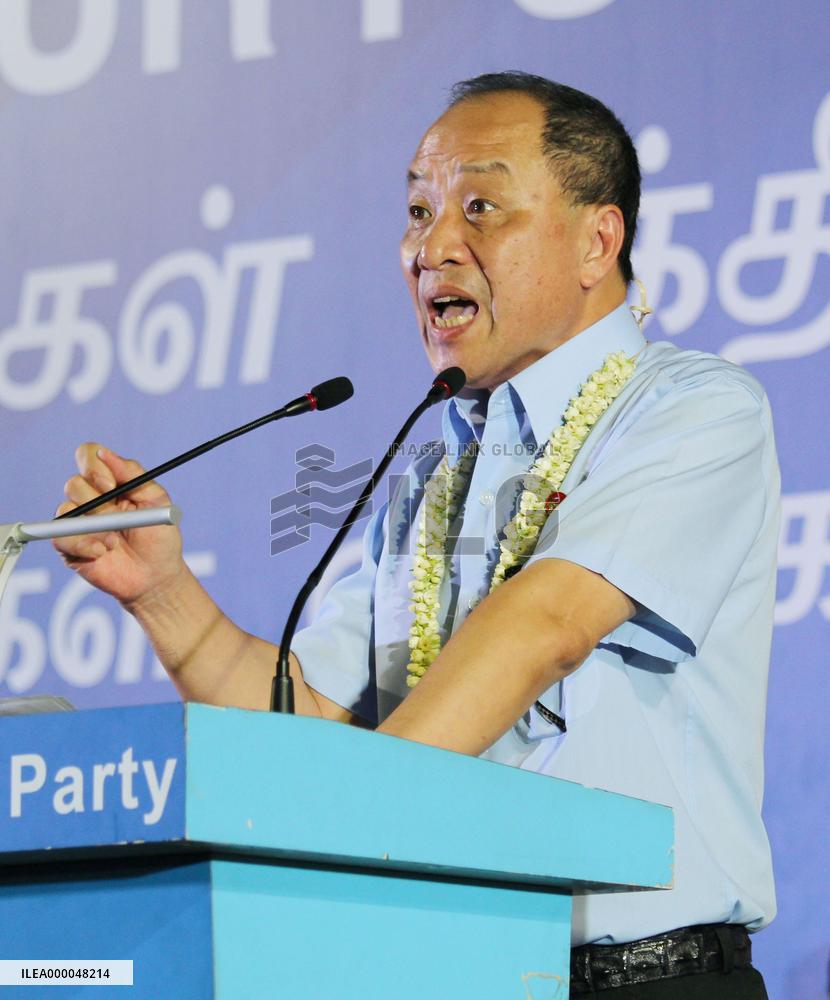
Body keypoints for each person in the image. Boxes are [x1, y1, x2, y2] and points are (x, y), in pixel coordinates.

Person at [55, 72, 776, 997]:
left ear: (598, 241)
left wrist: (352, 827)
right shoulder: (432, 484)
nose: (431, 247)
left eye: (480, 207)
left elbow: (546, 624)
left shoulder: (694, 409)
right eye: (419, 211)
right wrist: (163, 595)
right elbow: (311, 722)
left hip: (644, 980)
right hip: (454, 976)